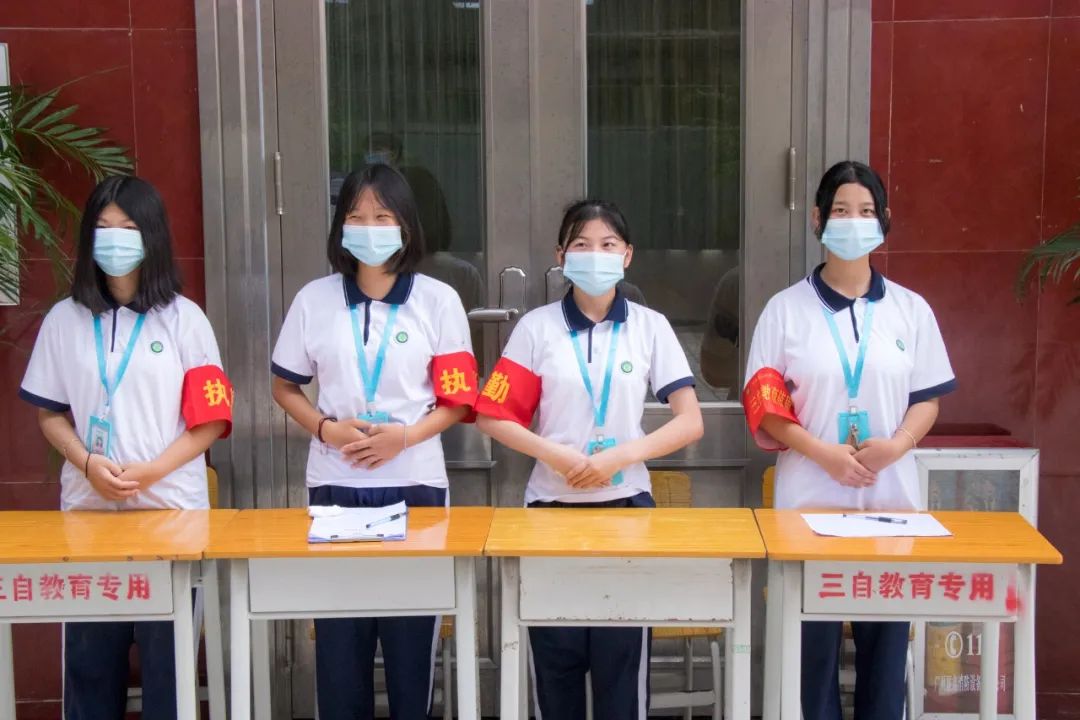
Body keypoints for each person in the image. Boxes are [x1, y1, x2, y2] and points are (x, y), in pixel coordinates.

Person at [742, 160, 956, 720]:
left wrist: (898, 444)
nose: (853, 222)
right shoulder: (784, 310)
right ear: (817, 219)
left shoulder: (911, 310)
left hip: (891, 506)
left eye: (865, 211)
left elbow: (927, 399)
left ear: (884, 221)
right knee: (810, 657)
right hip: (809, 505)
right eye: (841, 210)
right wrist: (824, 454)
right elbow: (765, 407)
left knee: (885, 656)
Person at [475, 199, 704, 720]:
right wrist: (554, 454)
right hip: (551, 512)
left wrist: (621, 456)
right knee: (555, 659)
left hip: (626, 511)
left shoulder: (649, 326)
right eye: (581, 245)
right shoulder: (537, 329)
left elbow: (690, 421)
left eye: (607, 245)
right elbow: (492, 416)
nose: (594, 254)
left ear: (627, 255)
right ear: (561, 256)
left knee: (622, 661)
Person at [19, 175, 233, 720]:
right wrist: (87, 462)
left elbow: (211, 421)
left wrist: (153, 471)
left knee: (170, 673)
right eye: (104, 228)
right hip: (90, 519)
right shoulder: (64, 319)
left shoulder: (185, 319)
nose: (115, 239)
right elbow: (49, 413)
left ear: (152, 236)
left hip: (170, 518)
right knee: (90, 671)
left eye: (128, 228)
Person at [270, 163, 478, 720]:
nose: (369, 227)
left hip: (415, 487)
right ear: (340, 226)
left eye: (382, 216)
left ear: (406, 225)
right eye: (357, 216)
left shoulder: (437, 300)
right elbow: (284, 386)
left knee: (412, 646)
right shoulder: (314, 299)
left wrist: (404, 438)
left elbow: (459, 400)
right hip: (336, 486)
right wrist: (325, 428)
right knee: (341, 646)